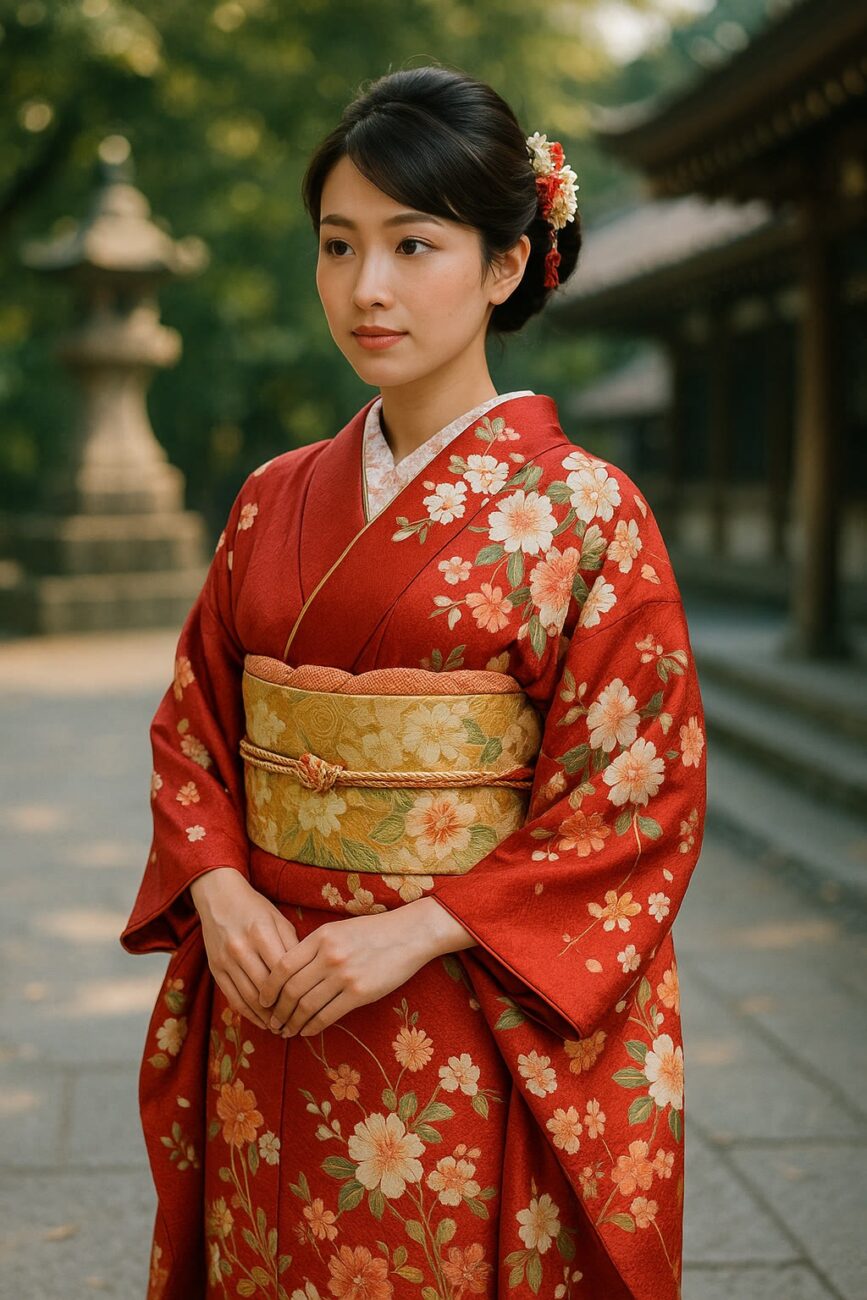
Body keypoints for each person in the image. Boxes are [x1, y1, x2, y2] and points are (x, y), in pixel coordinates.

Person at [121, 64, 706, 1300]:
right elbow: (196, 726)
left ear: (506, 264)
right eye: (339, 245)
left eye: (412, 243)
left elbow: (634, 798)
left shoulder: (587, 512)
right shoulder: (273, 496)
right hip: (268, 986)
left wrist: (424, 925)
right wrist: (218, 885)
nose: (366, 286)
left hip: (454, 1003)